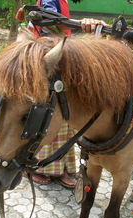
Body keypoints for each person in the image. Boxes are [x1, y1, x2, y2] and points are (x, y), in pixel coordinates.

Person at [26, 0, 82, 189]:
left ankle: (63, 168)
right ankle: (39, 168)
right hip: (48, 59)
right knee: (50, 114)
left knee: (64, 116)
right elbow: (49, 22)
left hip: (60, 57)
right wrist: (82, 24)